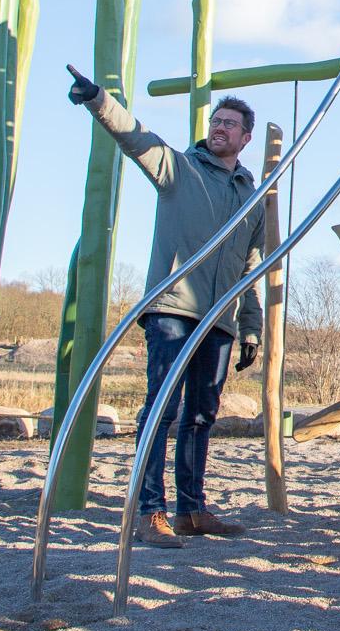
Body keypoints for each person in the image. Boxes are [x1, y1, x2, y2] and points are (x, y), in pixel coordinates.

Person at [66, 67, 265, 548]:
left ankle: (191, 510)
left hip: (219, 319)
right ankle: (149, 511)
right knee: (161, 409)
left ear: (246, 138)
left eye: (230, 124)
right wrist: (98, 100)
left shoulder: (253, 198)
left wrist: (251, 326)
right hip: (173, 308)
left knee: (201, 416)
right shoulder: (179, 168)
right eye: (216, 121)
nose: (220, 128)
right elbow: (136, 138)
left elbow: (252, 267)